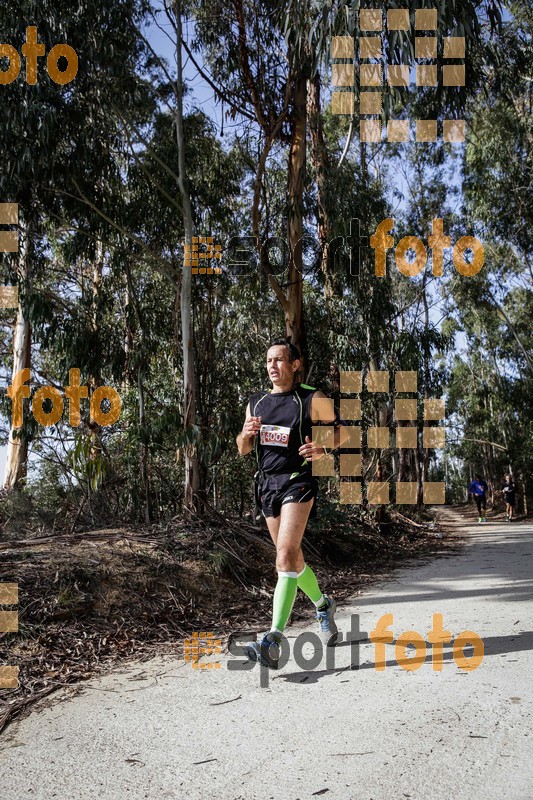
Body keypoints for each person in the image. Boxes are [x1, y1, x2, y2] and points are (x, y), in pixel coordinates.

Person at [236, 339, 348, 669]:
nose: (273, 366)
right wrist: (246, 434)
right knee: (293, 560)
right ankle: (323, 604)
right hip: (266, 485)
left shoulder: (311, 397)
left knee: (283, 556)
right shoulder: (255, 403)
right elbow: (242, 448)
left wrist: (324, 449)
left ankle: (273, 639)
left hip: (298, 481)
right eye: (269, 360)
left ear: (295, 365)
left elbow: (343, 434)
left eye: (280, 360)